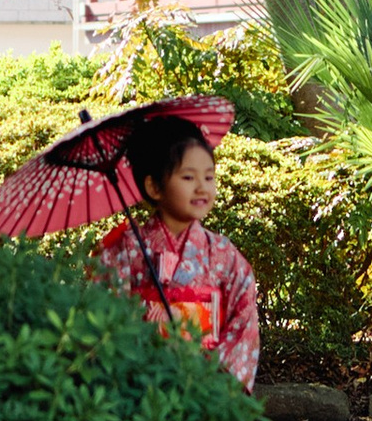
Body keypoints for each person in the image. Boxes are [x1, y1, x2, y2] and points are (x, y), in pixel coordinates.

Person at [95, 110, 261, 385]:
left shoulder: (223, 254)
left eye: (208, 177)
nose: (201, 187)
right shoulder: (124, 250)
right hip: (143, 387)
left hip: (207, 388)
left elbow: (244, 321)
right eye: (188, 178)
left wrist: (217, 383)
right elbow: (105, 319)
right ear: (154, 186)